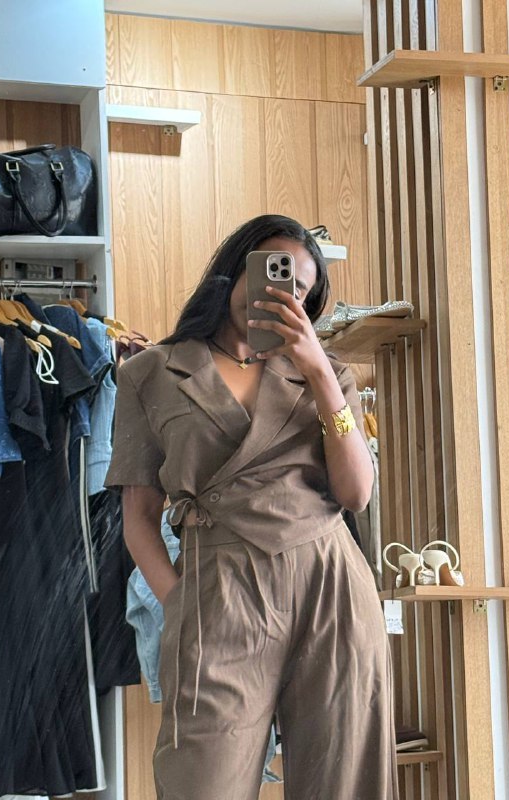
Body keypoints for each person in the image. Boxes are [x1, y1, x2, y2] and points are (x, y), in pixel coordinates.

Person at [105, 214, 398, 800]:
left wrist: (319, 373)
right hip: (218, 589)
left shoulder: (326, 374)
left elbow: (356, 493)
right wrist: (180, 603)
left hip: (328, 584)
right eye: (272, 272)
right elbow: (138, 518)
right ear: (235, 269)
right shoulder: (149, 374)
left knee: (345, 778)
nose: (281, 293)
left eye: (299, 289)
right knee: (202, 781)